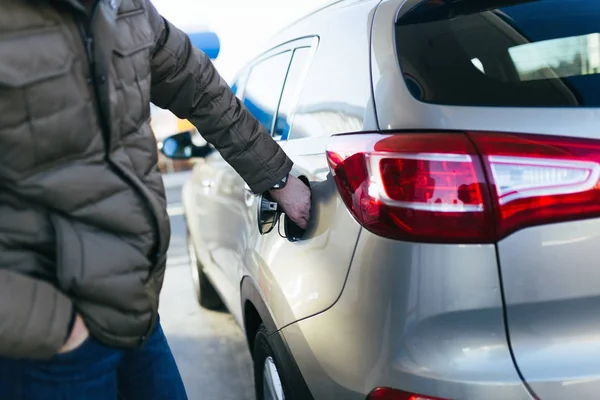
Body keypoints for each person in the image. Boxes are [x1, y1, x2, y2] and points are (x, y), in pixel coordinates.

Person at [0, 0, 311, 398]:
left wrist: (279, 177)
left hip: (136, 309)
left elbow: (197, 83)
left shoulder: (123, 7)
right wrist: (47, 322)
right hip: (45, 346)